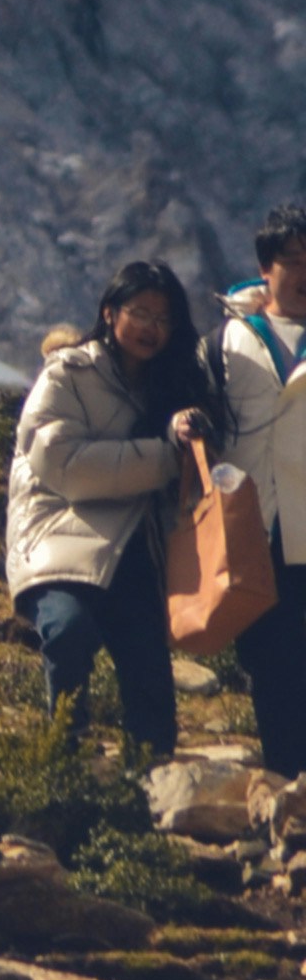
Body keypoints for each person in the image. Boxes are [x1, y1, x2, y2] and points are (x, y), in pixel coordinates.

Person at [17, 260, 217, 753]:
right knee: (68, 631)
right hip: (62, 536)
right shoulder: (68, 372)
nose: (152, 328)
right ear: (109, 312)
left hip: (137, 548)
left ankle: (150, 784)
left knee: (150, 686)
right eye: (140, 313)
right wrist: (165, 455)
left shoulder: (174, 384)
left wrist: (187, 437)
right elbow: (64, 464)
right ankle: (61, 756)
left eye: (164, 318)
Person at [211, 208, 306, 771]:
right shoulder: (228, 341)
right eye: (293, 262)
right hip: (256, 526)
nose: (304, 274)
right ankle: (285, 779)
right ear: (265, 269)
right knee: (269, 661)